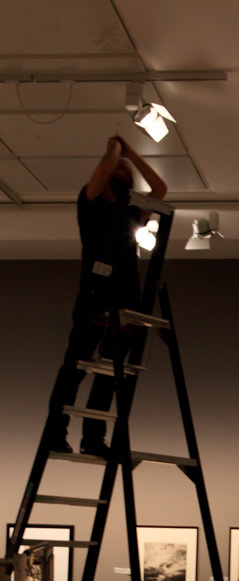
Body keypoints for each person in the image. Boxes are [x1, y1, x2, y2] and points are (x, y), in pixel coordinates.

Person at [50, 135, 167, 459]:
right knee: (75, 368)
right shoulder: (90, 205)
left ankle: (93, 439)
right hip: (95, 297)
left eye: (125, 173)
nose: (121, 173)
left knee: (109, 373)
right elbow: (102, 173)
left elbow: (160, 190)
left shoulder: (132, 214)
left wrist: (132, 155)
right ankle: (55, 433)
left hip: (127, 301)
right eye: (118, 171)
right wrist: (115, 150)